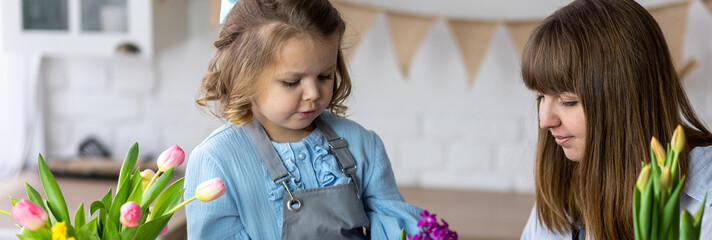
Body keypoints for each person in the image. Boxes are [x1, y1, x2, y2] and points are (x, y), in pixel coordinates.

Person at [183, 0, 422, 239]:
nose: (313, 93)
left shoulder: (362, 143)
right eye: (292, 82)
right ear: (243, 76)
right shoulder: (216, 160)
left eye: (324, 76)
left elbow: (393, 225)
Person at [519, 0, 712, 239]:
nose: (545, 121)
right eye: (540, 97)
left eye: (568, 101)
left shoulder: (705, 204)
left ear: (624, 98)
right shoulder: (560, 197)